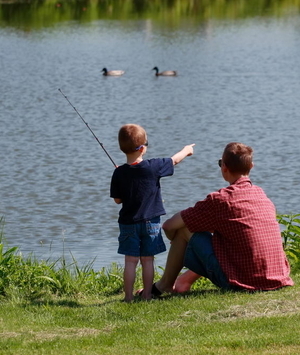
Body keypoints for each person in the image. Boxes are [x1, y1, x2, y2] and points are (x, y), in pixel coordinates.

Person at [145, 142, 293, 297]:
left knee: (184, 229)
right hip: (277, 278)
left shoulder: (221, 200)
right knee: (220, 236)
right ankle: (183, 281)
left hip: (243, 283)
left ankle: (164, 285)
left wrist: (178, 242)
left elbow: (168, 226)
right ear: (251, 166)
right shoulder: (262, 196)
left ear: (224, 167)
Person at [110, 123, 195, 302]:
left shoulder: (119, 173)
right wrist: (186, 150)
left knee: (130, 261)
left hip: (128, 223)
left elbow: (118, 200)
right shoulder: (154, 166)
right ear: (142, 148)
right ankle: (148, 295)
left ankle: (127, 298)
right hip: (151, 222)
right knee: (147, 260)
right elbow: (174, 160)